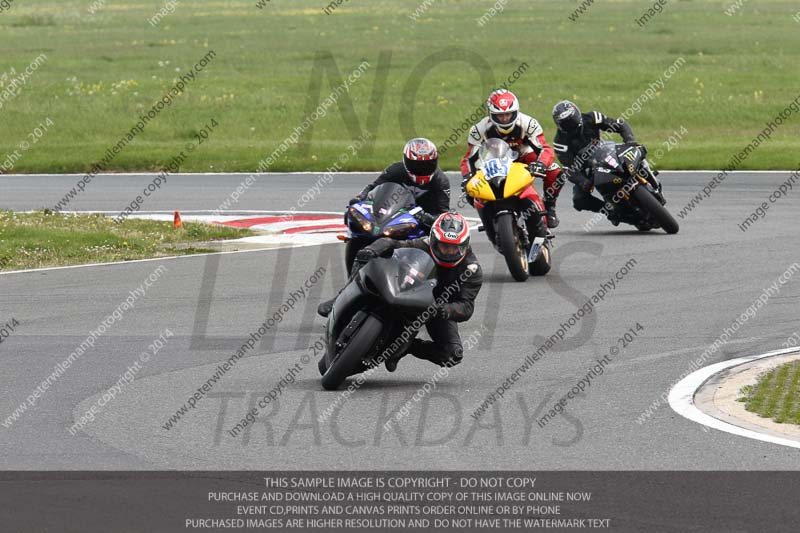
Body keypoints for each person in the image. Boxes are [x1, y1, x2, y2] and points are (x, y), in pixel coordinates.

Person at [318, 212, 483, 371]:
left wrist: (445, 310)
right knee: (366, 262)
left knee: (452, 354)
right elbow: (393, 244)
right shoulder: (424, 245)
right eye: (444, 246)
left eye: (454, 248)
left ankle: (408, 347)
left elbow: (466, 307)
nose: (448, 252)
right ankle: (340, 298)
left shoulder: (471, 270)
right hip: (407, 288)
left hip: (436, 308)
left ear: (465, 245)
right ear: (433, 239)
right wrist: (372, 250)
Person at [460, 89, 563, 228]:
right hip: (494, 161)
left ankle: (549, 207)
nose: (504, 119)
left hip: (524, 157)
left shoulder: (528, 123)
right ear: (491, 114)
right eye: (500, 115)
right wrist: (467, 176)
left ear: (515, 112)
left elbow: (545, 148)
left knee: (554, 171)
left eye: (508, 114)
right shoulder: (478, 129)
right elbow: (469, 158)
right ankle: (489, 215)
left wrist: (541, 164)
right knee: (470, 189)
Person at [551, 100, 637, 217]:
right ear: (559, 125)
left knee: (633, 153)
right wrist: (582, 181)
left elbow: (619, 124)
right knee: (579, 200)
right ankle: (611, 211)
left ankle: (646, 174)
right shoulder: (560, 142)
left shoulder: (592, 118)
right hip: (586, 170)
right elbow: (568, 168)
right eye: (566, 123)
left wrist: (630, 140)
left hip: (605, 152)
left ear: (577, 114)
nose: (571, 125)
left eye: (572, 120)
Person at [350, 138, 450, 228]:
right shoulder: (395, 170)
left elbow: (443, 215)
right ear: (406, 161)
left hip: (422, 222)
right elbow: (373, 187)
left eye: (427, 164)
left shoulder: (441, 181)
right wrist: (360, 198)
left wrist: (427, 218)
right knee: (354, 215)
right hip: (393, 215)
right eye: (416, 165)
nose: (422, 169)